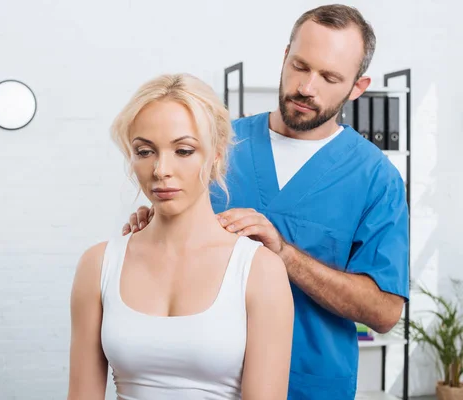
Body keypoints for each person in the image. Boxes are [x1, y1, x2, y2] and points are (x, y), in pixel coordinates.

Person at [123, 4, 409, 400]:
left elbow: (384, 312)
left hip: (309, 383)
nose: (307, 87)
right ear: (284, 57)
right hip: (209, 382)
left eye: (329, 77)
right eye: (300, 65)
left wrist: (285, 255)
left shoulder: (377, 179)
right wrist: (151, 224)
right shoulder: (216, 145)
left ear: (357, 88)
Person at [67, 73, 294, 400]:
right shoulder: (98, 265)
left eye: (183, 150)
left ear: (215, 155)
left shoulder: (259, 271)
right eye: (144, 151)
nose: (161, 170)